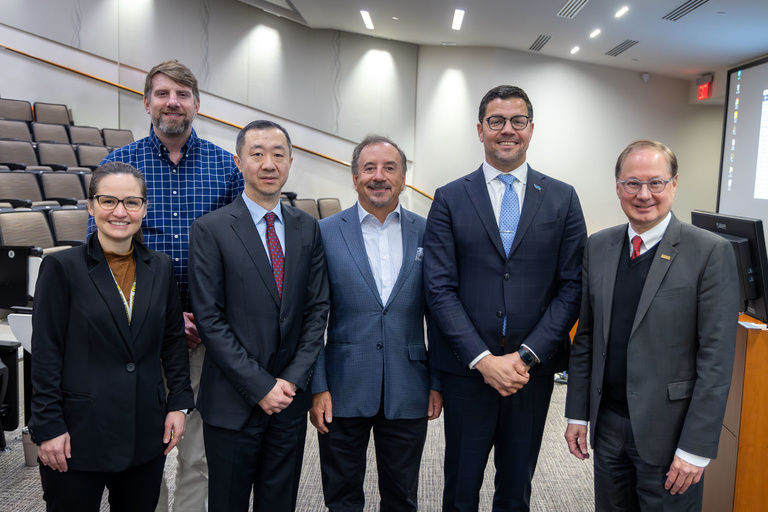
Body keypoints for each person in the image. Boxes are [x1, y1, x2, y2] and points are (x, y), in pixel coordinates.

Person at [423, 84, 587, 511]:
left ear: (531, 129)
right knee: (460, 486)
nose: (507, 130)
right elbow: (438, 287)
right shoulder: (449, 197)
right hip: (467, 371)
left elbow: (572, 286)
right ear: (480, 130)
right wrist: (483, 359)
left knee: (517, 488)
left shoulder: (563, 198)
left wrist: (526, 356)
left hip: (530, 375)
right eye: (496, 121)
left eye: (517, 121)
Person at [91, 59, 244, 512]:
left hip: (208, 336)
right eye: (162, 94)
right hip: (139, 335)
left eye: (181, 95)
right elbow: (99, 255)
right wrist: (169, 317)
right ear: (147, 103)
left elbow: (241, 255)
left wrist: (206, 319)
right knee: (144, 452)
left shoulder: (225, 168)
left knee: (199, 453)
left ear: (197, 104)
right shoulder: (119, 168)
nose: (172, 103)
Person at [564, 139, 739, 511]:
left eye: (655, 183)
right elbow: (587, 339)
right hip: (608, 425)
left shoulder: (709, 251)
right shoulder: (598, 246)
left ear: (674, 184)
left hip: (670, 433)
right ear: (618, 187)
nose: (644, 194)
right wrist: (578, 413)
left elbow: (717, 359)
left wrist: (696, 447)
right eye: (632, 183)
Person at [29, 162, 194, 511]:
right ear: (91, 206)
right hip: (77, 435)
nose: (120, 212)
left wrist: (179, 402)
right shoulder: (62, 268)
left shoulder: (161, 267)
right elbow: (46, 353)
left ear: (144, 209)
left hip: (144, 432)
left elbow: (172, 341)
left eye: (131, 202)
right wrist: (48, 427)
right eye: (108, 201)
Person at [188, 120, 330, 512]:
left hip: (288, 402)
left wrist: (289, 381)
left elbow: (317, 310)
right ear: (239, 161)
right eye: (257, 154)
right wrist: (260, 385)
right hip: (232, 402)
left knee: (279, 503)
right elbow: (209, 319)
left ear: (289, 162)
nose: (269, 163)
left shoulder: (307, 228)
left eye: (278, 154)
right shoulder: (210, 229)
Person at [309, 135, 442, 512]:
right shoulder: (325, 232)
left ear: (403, 178)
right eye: (369, 168)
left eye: (389, 168)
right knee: (341, 496)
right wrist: (317, 387)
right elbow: (313, 318)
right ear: (354, 178)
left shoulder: (428, 231)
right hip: (341, 388)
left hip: (409, 385)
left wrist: (436, 381)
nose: (379, 176)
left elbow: (439, 313)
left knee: (402, 497)